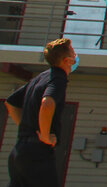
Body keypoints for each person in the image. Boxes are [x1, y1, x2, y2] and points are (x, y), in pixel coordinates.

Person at [5, 38, 77, 187]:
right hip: (37, 154)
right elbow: (47, 103)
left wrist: (29, 127)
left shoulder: (40, 77)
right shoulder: (58, 78)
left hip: (19, 152)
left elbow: (10, 102)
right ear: (67, 60)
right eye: (73, 52)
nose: (76, 56)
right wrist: (44, 135)